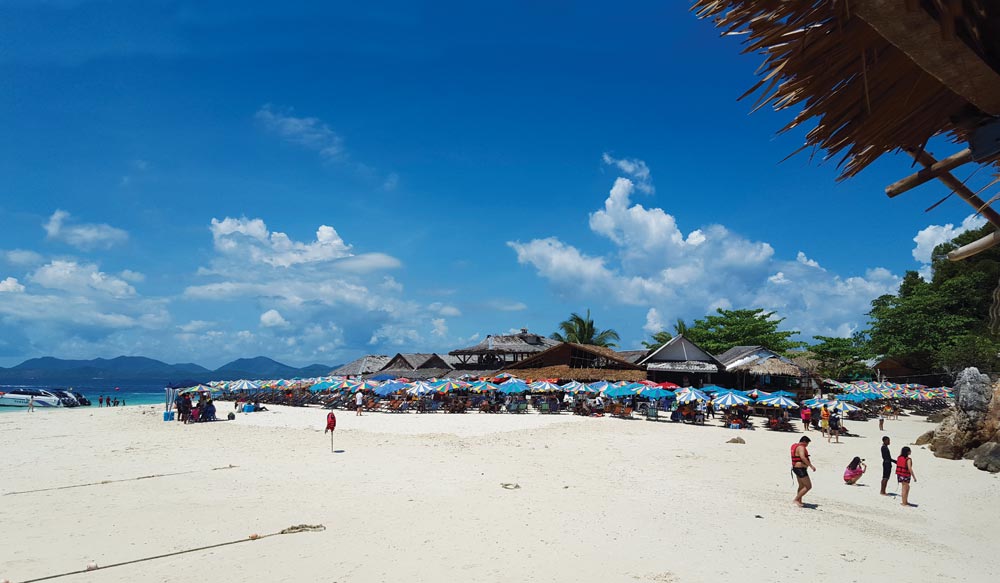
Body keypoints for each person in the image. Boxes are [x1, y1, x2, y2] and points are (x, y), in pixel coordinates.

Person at [790, 436, 816, 507]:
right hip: (800, 469)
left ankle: (799, 501)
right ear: (804, 442)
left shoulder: (794, 446)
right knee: (808, 486)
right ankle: (796, 499)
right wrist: (811, 466)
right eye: (807, 444)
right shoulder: (801, 447)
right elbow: (802, 457)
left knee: (801, 485)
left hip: (795, 468)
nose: (807, 445)